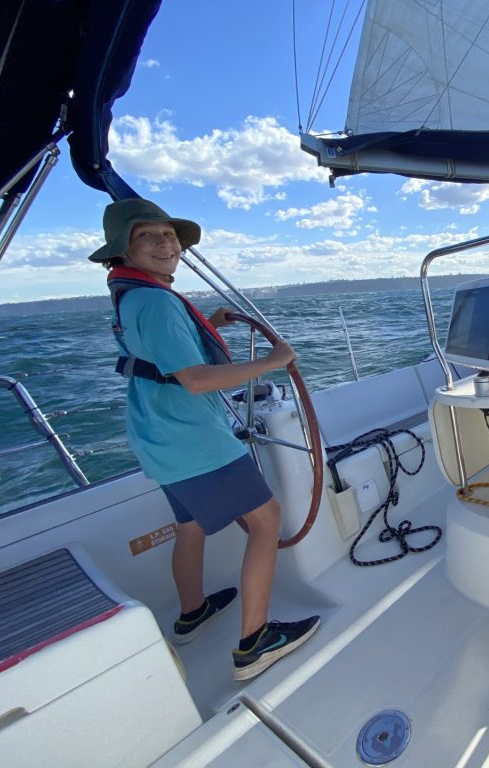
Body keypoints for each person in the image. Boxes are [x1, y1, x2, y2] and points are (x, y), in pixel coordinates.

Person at [90, 198, 320, 681]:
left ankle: (192, 614)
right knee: (266, 521)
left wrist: (205, 325)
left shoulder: (131, 297)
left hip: (158, 439)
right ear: (123, 250)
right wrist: (272, 361)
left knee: (190, 527)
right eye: (147, 235)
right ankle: (254, 644)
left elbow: (156, 355)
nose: (165, 242)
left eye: (169, 233)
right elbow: (195, 380)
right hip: (193, 441)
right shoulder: (156, 301)